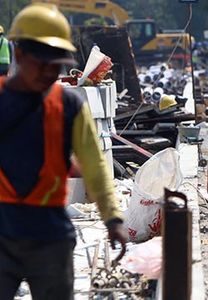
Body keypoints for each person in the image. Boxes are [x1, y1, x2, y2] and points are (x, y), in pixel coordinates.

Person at [0, 4, 127, 299]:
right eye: (42, 64)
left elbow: (95, 166)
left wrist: (113, 218)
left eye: (55, 65)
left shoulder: (69, 106)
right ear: (19, 54)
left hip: (50, 236)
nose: (50, 73)